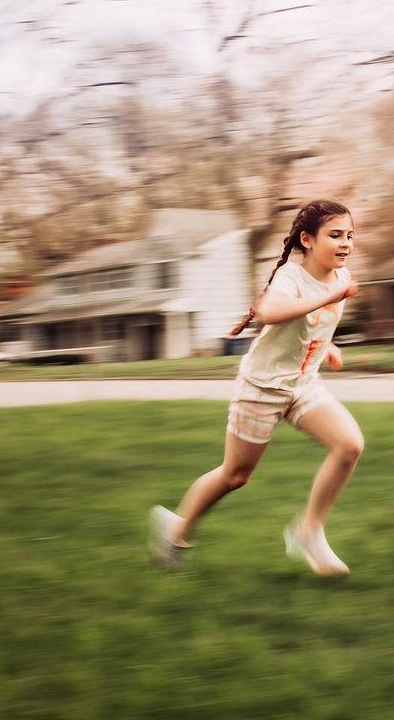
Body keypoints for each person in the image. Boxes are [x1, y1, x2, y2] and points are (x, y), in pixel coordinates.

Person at [148, 199, 363, 577]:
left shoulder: (340, 278)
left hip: (301, 384)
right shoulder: (292, 278)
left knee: (349, 445)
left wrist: (327, 345)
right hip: (261, 388)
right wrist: (330, 298)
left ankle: (308, 531)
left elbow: (307, 324)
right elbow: (271, 313)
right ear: (307, 240)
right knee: (235, 476)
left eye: (349, 235)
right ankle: (176, 530)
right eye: (335, 235)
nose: (345, 243)